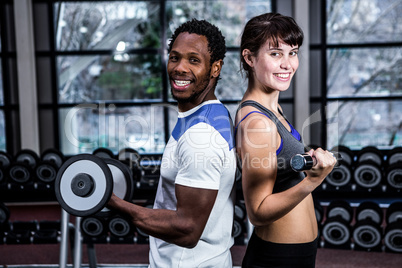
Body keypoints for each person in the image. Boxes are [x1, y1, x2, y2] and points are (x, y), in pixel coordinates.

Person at [107, 19, 236, 268]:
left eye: (194, 60)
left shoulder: (200, 137)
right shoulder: (211, 113)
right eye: (175, 57)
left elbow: (187, 230)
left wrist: (112, 202)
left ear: (215, 68)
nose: (180, 68)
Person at [234, 13, 337, 267]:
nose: (288, 64)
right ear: (249, 58)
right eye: (276, 54)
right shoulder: (258, 123)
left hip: (295, 253)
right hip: (276, 258)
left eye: (293, 53)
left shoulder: (272, 110)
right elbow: (257, 212)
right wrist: (313, 181)